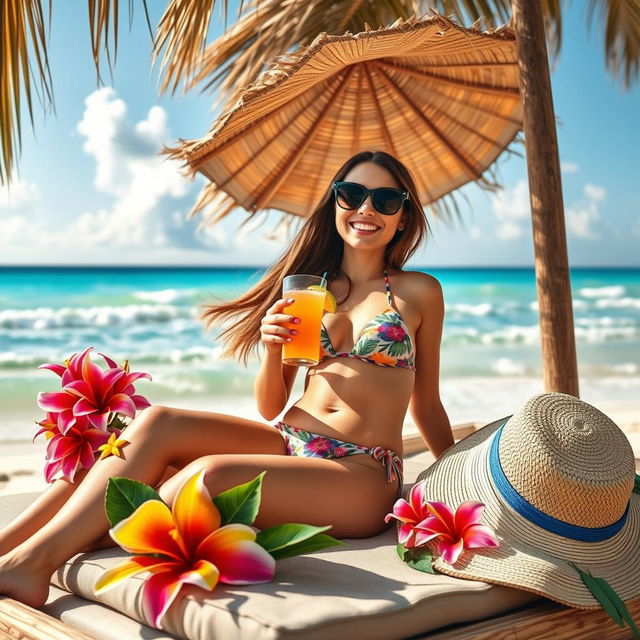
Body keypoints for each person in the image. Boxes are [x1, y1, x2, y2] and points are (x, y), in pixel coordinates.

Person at [0, 150, 453, 609]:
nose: (366, 209)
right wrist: (272, 347)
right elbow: (271, 407)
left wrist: (453, 478)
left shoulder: (419, 291)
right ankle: (9, 552)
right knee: (156, 424)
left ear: (403, 217)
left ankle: (32, 565)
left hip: (364, 470)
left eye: (385, 200)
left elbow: (427, 403)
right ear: (335, 204)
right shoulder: (311, 291)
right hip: (288, 441)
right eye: (352, 194)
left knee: (207, 477)